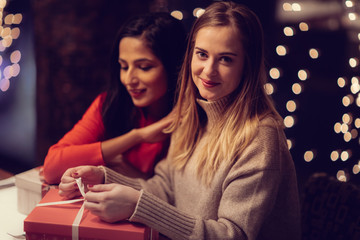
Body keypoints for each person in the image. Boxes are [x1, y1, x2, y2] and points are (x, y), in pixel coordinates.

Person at [59, 2, 301, 239]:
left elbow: (232, 234)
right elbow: (165, 187)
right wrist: (103, 176)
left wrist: (139, 206)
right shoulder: (193, 114)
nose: (208, 70)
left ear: (246, 66)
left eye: (225, 59)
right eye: (202, 55)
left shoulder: (260, 137)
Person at [42, 12, 187, 184]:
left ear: (175, 67)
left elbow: (174, 197)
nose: (129, 80)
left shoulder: (191, 118)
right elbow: (51, 168)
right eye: (124, 67)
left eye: (144, 67)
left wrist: (120, 165)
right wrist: (137, 136)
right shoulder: (109, 105)